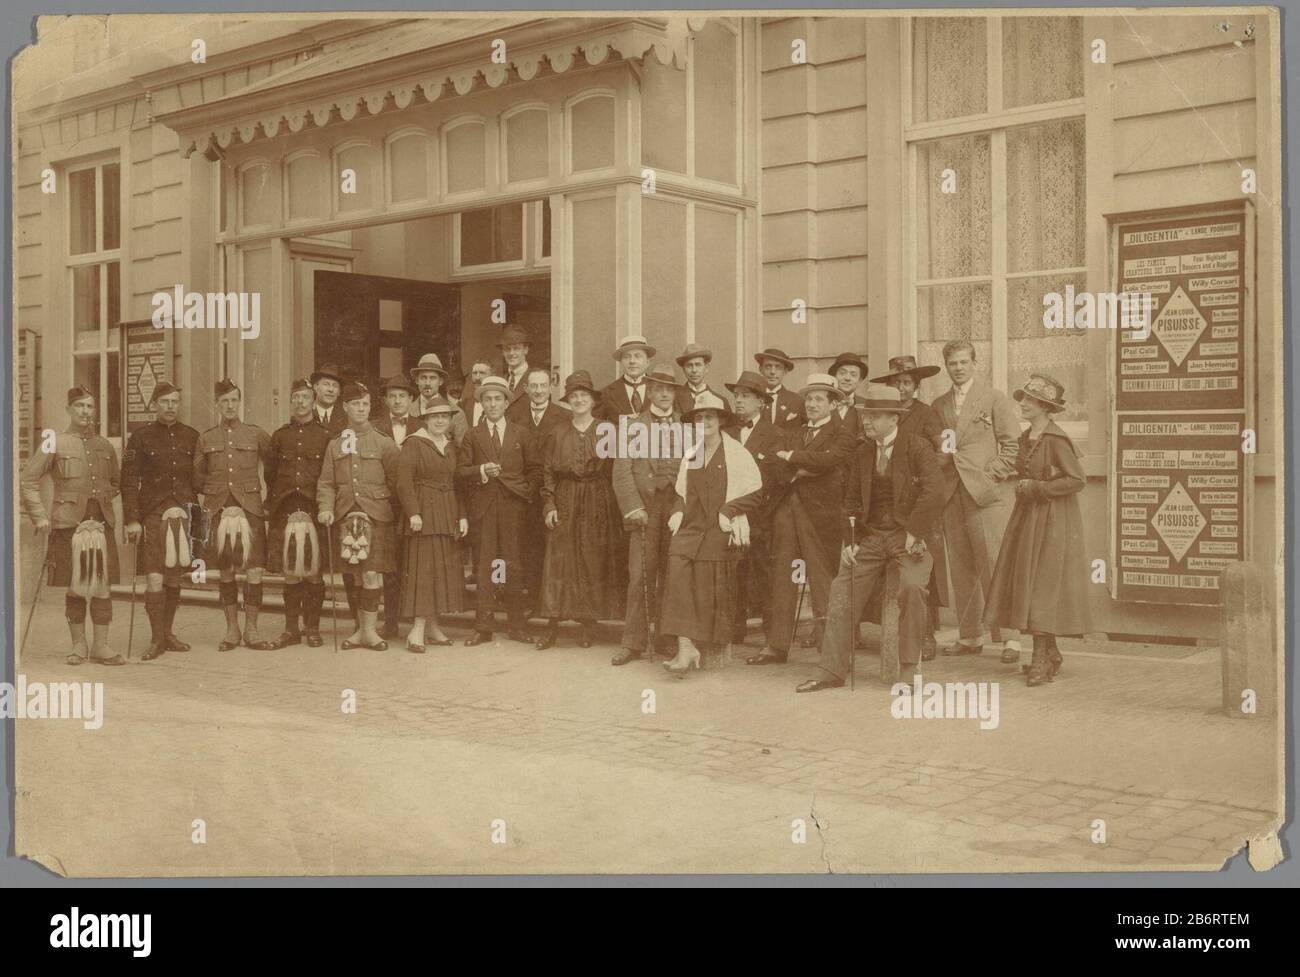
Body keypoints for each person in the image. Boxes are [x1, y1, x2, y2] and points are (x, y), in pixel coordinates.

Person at [795, 385, 945, 693]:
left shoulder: (917, 448)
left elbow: (934, 493)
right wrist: (851, 540)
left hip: (909, 536)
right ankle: (831, 670)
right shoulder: (862, 452)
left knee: (914, 588)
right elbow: (849, 501)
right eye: (866, 415)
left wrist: (914, 532)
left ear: (894, 418)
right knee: (842, 586)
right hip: (872, 537)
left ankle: (907, 671)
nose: (867, 422)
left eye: (875, 416)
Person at [984, 375, 1089, 686]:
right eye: (1023, 399)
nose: (1023, 404)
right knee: (1027, 584)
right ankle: (1051, 652)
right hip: (1027, 518)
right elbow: (1017, 466)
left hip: (1053, 521)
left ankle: (1040, 657)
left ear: (1045, 407)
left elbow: (1077, 480)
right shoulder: (1028, 436)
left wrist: (1039, 487)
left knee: (1042, 586)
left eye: (1030, 400)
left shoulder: (1057, 440)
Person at [747, 373, 856, 666]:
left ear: (833, 404)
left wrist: (794, 458)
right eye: (808, 398)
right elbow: (773, 462)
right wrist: (801, 469)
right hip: (787, 510)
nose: (812, 404)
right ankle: (776, 646)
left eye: (819, 398)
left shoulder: (843, 433)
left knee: (823, 580)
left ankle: (829, 650)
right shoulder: (793, 429)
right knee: (782, 575)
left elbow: (833, 462)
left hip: (822, 515)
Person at [659, 393, 764, 676]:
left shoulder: (736, 454)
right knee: (677, 563)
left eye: (709, 417)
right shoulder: (692, 454)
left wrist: (729, 510)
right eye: (699, 418)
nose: (703, 422)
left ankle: (690, 645)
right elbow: (683, 491)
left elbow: (755, 492)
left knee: (706, 572)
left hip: (720, 526)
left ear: (719, 421)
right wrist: (678, 510)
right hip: (693, 526)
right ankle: (685, 644)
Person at [20, 386, 124, 666]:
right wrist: (40, 516)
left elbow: (116, 483)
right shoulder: (55, 442)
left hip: (101, 525)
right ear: (68, 409)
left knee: (102, 587)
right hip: (67, 525)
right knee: (75, 587)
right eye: (79, 406)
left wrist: (98, 501)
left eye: (90, 407)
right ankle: (79, 645)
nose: (85, 412)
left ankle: (101, 646)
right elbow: (28, 480)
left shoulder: (105, 445)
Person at [931, 340, 1021, 662]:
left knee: (995, 563)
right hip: (951, 493)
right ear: (946, 366)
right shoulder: (939, 404)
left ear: (974, 363)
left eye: (963, 362)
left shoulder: (994, 398)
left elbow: (1013, 446)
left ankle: (1010, 639)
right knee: (962, 567)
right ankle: (970, 636)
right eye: (952, 363)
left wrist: (989, 475)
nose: (958, 368)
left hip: (984, 495)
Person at [535, 371, 626, 649]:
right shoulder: (558, 431)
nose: (579, 400)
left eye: (583, 396)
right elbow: (548, 470)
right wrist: (549, 504)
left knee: (591, 557)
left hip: (598, 497)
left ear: (592, 400)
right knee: (559, 560)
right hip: (565, 495)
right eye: (574, 396)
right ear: (568, 401)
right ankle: (551, 625)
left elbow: (618, 469)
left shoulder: (607, 430)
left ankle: (588, 624)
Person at [610, 365, 688, 665]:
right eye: (658, 389)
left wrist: (683, 508)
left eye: (669, 389)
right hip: (645, 509)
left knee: (673, 574)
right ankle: (633, 642)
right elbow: (622, 471)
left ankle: (667, 638)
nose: (665, 394)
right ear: (650, 392)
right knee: (640, 573)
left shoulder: (686, 425)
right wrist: (634, 507)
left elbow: (692, 471)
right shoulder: (632, 426)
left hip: (675, 509)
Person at [457, 376, 543, 645]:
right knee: (486, 566)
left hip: (513, 508)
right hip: (483, 509)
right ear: (481, 403)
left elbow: (536, 470)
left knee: (512, 565)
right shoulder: (473, 435)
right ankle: (484, 626)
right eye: (487, 399)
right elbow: (460, 471)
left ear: (507, 403)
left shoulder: (521, 433)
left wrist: (523, 492)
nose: (492, 404)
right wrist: (481, 470)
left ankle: (516, 625)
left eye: (497, 399)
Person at [317, 382, 401, 650]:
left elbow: (398, 482)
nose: (361, 409)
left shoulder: (384, 443)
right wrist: (326, 508)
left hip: (377, 516)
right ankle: (359, 630)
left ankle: (370, 632)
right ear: (345, 407)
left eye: (365, 404)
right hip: (345, 517)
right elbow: (327, 483)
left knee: (372, 575)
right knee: (354, 576)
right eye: (356, 404)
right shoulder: (335, 445)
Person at [873, 354, 947, 658]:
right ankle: (892, 633)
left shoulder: (926, 414)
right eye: (896, 382)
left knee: (920, 566)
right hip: (889, 502)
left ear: (915, 386)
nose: (902, 388)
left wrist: (925, 478)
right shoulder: (882, 414)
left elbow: (944, 450)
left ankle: (926, 634)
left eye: (906, 383)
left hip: (920, 500)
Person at [120, 381, 200, 661]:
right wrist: (131, 519)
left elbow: (201, 478)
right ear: (154, 404)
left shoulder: (192, 436)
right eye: (164, 401)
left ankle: (168, 633)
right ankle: (155, 640)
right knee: (154, 576)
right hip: (152, 514)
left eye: (174, 402)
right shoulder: (139, 438)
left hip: (183, 513)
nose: (170, 407)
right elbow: (128, 481)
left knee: (175, 575)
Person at [195, 379, 275, 651]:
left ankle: (252, 630)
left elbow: (274, 468)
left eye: (234, 400)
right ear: (216, 404)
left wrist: (267, 501)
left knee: (254, 571)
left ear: (240, 403)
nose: (230, 406)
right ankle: (232, 630)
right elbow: (197, 476)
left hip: (250, 508)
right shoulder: (206, 438)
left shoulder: (256, 434)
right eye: (224, 401)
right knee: (226, 572)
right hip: (218, 509)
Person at [396, 396, 468, 651]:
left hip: (447, 514)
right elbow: (403, 482)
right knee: (423, 573)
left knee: (441, 572)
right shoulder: (414, 444)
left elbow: (458, 483)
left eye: (445, 417)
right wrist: (413, 512)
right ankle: (416, 631)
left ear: (450, 421)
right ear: (425, 419)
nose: (440, 421)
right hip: (424, 515)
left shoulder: (451, 447)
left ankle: (434, 626)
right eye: (435, 416)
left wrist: (462, 515)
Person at [265, 377, 332, 648]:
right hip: (286, 507)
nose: (301, 402)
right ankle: (291, 629)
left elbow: (329, 475)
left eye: (305, 397)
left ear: (313, 400)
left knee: (314, 571)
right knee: (290, 570)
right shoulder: (280, 436)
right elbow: (270, 474)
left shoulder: (326, 436)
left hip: (314, 508)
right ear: (290, 402)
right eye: (296, 398)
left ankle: (312, 628)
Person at [724, 370, 788, 644]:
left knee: (765, 575)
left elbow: (777, 478)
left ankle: (771, 636)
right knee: (732, 572)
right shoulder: (725, 432)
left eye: (745, 396)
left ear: (761, 401)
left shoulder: (775, 434)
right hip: (730, 515)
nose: (739, 401)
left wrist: (757, 509)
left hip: (763, 516)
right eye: (736, 396)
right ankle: (733, 629)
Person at [507, 367, 568, 615]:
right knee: (527, 546)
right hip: (525, 491)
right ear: (526, 389)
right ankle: (531, 600)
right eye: (534, 386)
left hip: (555, 491)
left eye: (544, 386)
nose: (539, 391)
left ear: (551, 387)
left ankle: (556, 604)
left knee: (554, 547)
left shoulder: (563, 416)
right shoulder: (514, 414)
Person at [373, 375, 419, 638]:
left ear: (411, 399)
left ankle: (416, 622)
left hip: (414, 507)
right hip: (387, 506)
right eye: (393, 396)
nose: (398, 400)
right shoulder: (376, 428)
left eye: (402, 396)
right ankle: (390, 622)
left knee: (414, 564)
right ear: (386, 400)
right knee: (390, 566)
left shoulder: (424, 426)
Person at [411, 353, 469, 444]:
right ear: (417, 381)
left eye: (432, 378)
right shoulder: (408, 411)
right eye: (423, 378)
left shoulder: (457, 413)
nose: (427, 383)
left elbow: (462, 451)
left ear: (440, 381)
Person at [600, 335, 656, 420]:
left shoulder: (660, 390)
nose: (632, 361)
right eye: (626, 357)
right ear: (621, 362)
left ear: (648, 362)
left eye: (638, 356)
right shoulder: (606, 393)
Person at [673, 343, 732, 416]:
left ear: (706, 367)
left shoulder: (721, 401)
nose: (694, 370)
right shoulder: (674, 398)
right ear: (683, 370)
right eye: (689, 365)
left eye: (698, 365)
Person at [754, 347, 806, 430]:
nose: (773, 372)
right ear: (760, 369)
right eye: (768, 367)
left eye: (778, 367)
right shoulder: (752, 398)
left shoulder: (797, 401)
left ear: (785, 371)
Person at [829, 352, 869, 431]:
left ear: (860, 380)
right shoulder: (823, 403)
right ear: (834, 376)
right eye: (842, 373)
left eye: (853, 375)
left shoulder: (866, 406)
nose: (847, 378)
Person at [497, 324, 532, 408]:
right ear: (502, 352)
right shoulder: (501, 380)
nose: (511, 353)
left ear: (526, 350)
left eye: (516, 348)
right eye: (507, 349)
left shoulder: (535, 378)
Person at [311, 363, 347, 434]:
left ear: (339, 392)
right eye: (326, 384)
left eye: (335, 385)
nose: (331, 389)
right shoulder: (306, 414)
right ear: (315, 387)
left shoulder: (346, 418)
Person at [460, 359, 493, 427]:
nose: (477, 377)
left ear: (492, 376)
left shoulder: (500, 403)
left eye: (482, 373)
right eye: (474, 373)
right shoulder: (464, 405)